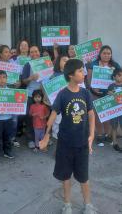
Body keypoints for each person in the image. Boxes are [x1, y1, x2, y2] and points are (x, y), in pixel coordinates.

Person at [40, 59, 97, 214]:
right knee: (65, 176)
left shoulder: (85, 93)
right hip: (65, 144)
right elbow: (53, 114)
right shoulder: (63, 94)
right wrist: (46, 135)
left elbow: (91, 115)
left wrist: (91, 135)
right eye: (80, 71)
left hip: (82, 144)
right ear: (71, 75)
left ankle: (88, 205)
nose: (83, 73)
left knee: (84, 177)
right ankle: (67, 204)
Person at [87, 45, 121, 146]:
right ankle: (100, 135)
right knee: (97, 115)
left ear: (111, 55)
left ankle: (107, 134)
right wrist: (93, 88)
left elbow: (120, 78)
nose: (106, 55)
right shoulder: (93, 64)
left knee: (107, 115)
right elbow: (88, 79)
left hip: (110, 95)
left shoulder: (115, 65)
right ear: (100, 54)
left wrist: (115, 91)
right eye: (104, 53)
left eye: (109, 53)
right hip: (95, 94)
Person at [21, 45, 43, 149]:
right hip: (30, 94)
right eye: (32, 52)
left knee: (42, 117)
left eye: (36, 51)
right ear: (29, 54)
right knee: (30, 117)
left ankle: (41, 138)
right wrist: (31, 78)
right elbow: (23, 81)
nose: (34, 54)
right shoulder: (27, 65)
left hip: (43, 95)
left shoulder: (45, 63)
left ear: (39, 52)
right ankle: (30, 139)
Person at [50, 54, 69, 140]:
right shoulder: (54, 75)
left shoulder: (72, 74)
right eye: (64, 60)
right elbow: (49, 90)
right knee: (57, 126)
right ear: (59, 62)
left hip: (69, 105)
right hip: (58, 106)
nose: (67, 62)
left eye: (68, 60)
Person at [107, 68, 122, 152]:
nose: (121, 77)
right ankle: (115, 143)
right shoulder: (111, 86)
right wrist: (110, 94)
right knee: (114, 126)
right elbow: (108, 98)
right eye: (119, 75)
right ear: (114, 76)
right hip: (114, 111)